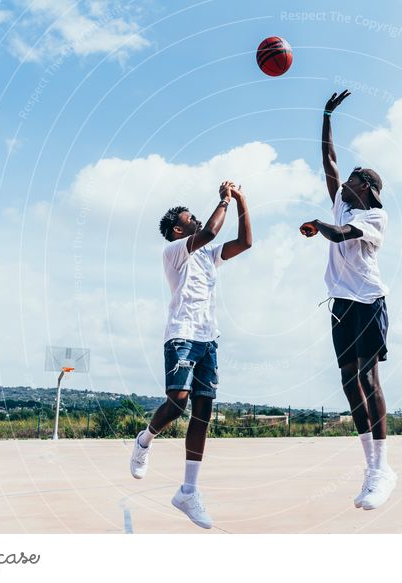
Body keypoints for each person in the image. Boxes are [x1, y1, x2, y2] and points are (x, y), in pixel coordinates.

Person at [130, 181, 252, 529]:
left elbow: (245, 242)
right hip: (181, 335)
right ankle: (145, 439)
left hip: (207, 338)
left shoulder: (208, 255)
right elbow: (212, 231)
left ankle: (188, 490)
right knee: (178, 401)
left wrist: (242, 201)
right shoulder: (175, 252)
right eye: (190, 217)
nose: (197, 219)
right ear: (178, 230)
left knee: (203, 413)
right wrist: (225, 199)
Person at [299, 90, 395, 510]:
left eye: (356, 176)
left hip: (369, 302)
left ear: (368, 188)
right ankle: (370, 467)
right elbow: (330, 162)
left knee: (369, 379)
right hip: (341, 303)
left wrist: (318, 224)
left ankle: (382, 469)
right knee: (347, 381)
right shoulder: (343, 202)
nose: (347, 179)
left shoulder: (374, 217)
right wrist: (325, 116)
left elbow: (340, 235)